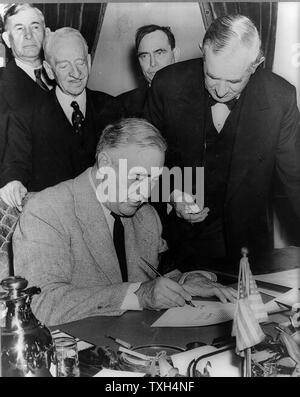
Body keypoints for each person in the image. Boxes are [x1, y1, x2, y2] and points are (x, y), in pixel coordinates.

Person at [13, 118, 236, 326]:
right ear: (104, 164)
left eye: (154, 179)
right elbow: (41, 304)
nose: (145, 192)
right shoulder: (47, 209)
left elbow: (151, 283)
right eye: (137, 177)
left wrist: (187, 281)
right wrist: (139, 296)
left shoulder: (146, 217)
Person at [145, 14, 300, 273]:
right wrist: (172, 195)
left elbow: (296, 178)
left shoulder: (280, 98)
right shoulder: (167, 85)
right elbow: (139, 165)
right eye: (212, 76)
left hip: (249, 250)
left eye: (234, 81)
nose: (220, 90)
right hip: (179, 246)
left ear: (256, 64)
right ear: (203, 54)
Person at [0, 27, 122, 211]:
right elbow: (15, 163)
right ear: (49, 70)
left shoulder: (114, 108)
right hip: (53, 217)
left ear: (89, 62)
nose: (76, 73)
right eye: (64, 66)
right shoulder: (25, 114)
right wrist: (14, 182)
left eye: (80, 62)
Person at [118, 25, 179, 117]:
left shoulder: (197, 97)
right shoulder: (123, 106)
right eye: (144, 56)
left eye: (159, 53)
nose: (153, 63)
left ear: (175, 55)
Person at [0, 3, 52, 110]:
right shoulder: (3, 84)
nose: (28, 35)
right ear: (7, 39)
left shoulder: (62, 73)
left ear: (46, 33)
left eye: (35, 27)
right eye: (19, 28)